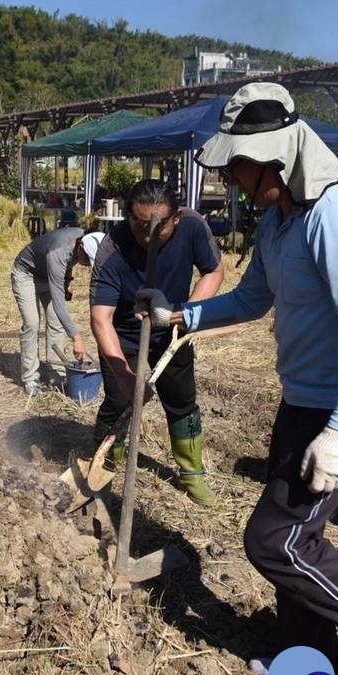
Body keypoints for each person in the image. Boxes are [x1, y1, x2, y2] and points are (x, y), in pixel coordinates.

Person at [143, 82, 338, 675]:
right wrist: (180, 318)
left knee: (274, 540)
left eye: (239, 167)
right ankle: (311, 667)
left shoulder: (336, 216)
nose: (233, 181)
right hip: (303, 400)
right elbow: (253, 298)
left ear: (278, 159)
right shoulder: (279, 222)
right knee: (298, 539)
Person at [91, 179, 224, 506]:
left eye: (158, 226)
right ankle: (103, 468)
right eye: (138, 224)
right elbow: (101, 319)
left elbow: (214, 271)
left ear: (175, 217)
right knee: (119, 402)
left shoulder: (192, 225)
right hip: (124, 336)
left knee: (182, 401)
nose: (147, 234)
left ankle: (192, 474)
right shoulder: (113, 248)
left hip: (173, 329)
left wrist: (187, 315)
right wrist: (125, 377)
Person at [11, 226, 104, 396]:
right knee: (32, 323)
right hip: (26, 274)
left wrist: (68, 278)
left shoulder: (82, 239)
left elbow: (70, 261)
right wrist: (77, 338)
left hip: (49, 273)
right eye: (87, 261)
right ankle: (30, 377)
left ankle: (55, 374)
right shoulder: (59, 251)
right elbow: (59, 302)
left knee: (55, 322)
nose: (85, 265)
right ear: (80, 248)